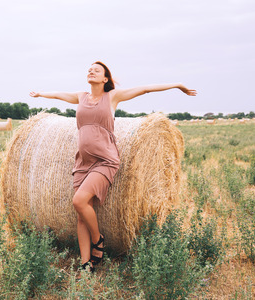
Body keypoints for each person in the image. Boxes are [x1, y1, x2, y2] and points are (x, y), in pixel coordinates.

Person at [30, 61, 196, 272]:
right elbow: (57, 94)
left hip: (105, 160)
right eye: (89, 69)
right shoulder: (80, 97)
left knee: (79, 200)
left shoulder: (112, 97)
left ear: (105, 79)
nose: (91, 71)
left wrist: (177, 85)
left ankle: (98, 240)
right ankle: (85, 263)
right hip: (82, 161)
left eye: (96, 70)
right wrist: (41, 93)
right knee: (81, 213)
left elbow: (144, 89)